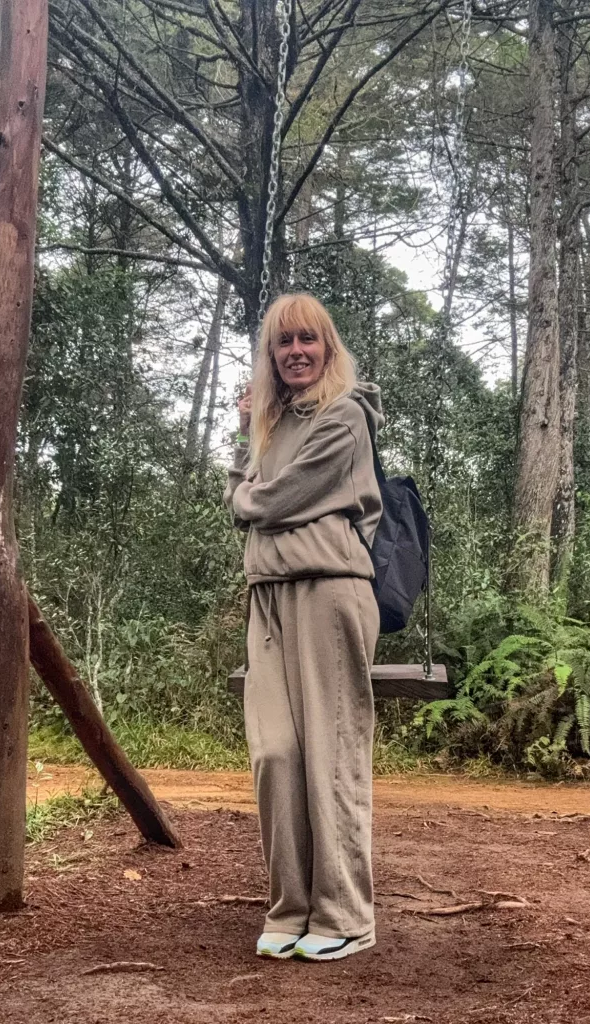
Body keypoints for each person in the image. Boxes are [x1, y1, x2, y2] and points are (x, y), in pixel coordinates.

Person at [224, 292, 384, 963]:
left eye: (306, 341)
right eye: (282, 343)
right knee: (276, 755)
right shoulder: (269, 424)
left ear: (326, 347)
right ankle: (289, 907)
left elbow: (269, 501)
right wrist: (242, 441)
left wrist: (245, 497)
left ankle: (345, 913)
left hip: (329, 592)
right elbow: (249, 493)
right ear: (271, 354)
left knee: (330, 752)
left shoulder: (345, 415)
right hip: (268, 597)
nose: (295, 353)